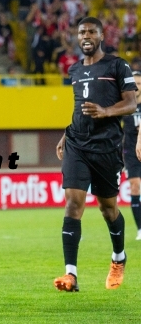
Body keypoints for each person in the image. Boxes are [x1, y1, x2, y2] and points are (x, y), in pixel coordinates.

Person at [54, 17, 137, 293]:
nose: (86, 35)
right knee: (73, 203)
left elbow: (131, 103)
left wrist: (105, 112)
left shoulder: (117, 65)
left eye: (91, 31)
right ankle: (71, 275)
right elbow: (79, 107)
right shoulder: (74, 70)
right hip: (78, 143)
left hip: (106, 147)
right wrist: (67, 134)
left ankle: (118, 257)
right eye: (81, 32)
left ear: (101, 35)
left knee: (107, 208)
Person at [124, 71, 141, 240]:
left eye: (140, 83)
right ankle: (140, 229)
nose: (137, 87)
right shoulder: (126, 106)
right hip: (131, 154)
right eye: (134, 83)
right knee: (135, 187)